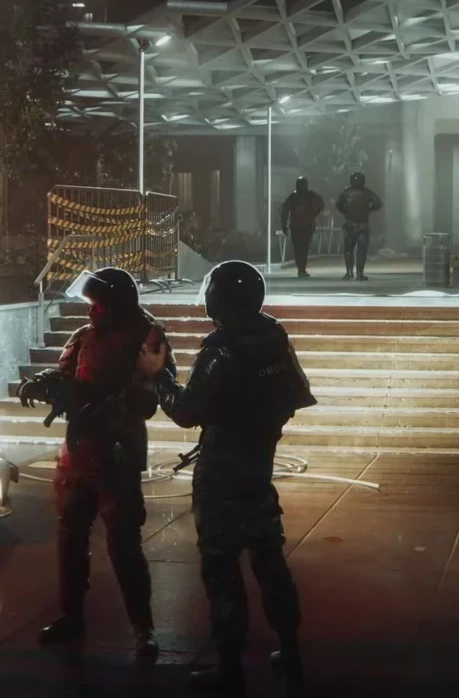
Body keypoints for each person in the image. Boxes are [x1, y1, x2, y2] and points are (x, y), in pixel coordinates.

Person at [142, 261, 316, 694]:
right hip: (258, 470)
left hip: (221, 476)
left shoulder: (221, 349)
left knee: (222, 572)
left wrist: (159, 374)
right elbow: (294, 395)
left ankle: (230, 667)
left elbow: (186, 411)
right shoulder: (273, 336)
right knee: (271, 564)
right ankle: (291, 652)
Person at [19, 267, 168, 659]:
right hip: (78, 450)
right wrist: (45, 383)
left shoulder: (147, 338)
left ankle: (143, 628)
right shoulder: (84, 335)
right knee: (70, 537)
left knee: (124, 544)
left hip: (117, 454)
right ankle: (71, 615)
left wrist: (107, 407)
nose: (91, 312)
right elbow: (66, 375)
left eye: (98, 306)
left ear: (116, 306)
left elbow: (149, 398)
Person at [334, 171, 382, 281]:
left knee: (348, 250)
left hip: (350, 225)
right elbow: (378, 203)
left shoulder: (346, 192)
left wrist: (347, 212)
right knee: (361, 251)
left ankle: (349, 272)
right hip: (363, 225)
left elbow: (338, 205)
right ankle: (359, 274)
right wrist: (368, 209)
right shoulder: (367, 193)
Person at [279, 176, 324, 278]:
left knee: (300, 247)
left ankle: (301, 268)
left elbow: (285, 211)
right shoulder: (301, 196)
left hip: (301, 226)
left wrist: (284, 225)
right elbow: (285, 211)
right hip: (301, 225)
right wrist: (314, 214)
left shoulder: (299, 196)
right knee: (302, 247)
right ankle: (301, 268)